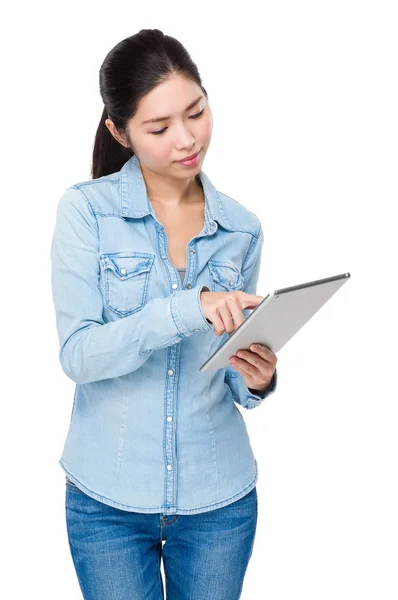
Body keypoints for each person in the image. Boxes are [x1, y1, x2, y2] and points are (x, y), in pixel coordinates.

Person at [50, 28, 278, 600]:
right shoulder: (87, 212)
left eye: (196, 112)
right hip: (108, 502)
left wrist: (257, 377)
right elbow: (79, 356)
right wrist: (186, 309)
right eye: (159, 127)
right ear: (118, 132)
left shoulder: (242, 228)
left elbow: (226, 377)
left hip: (219, 501)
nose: (187, 138)